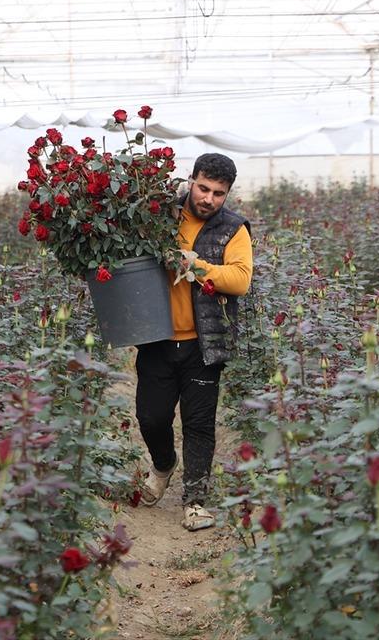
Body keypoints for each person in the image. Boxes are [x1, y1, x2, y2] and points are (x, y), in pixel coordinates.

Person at [135, 152, 253, 531]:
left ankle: (195, 500)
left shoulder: (233, 228)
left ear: (227, 194)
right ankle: (164, 464)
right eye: (203, 188)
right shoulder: (159, 216)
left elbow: (240, 279)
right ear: (191, 180)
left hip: (205, 344)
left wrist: (194, 264)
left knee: (199, 423)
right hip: (157, 339)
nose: (209, 199)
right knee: (151, 417)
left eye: (219, 193)